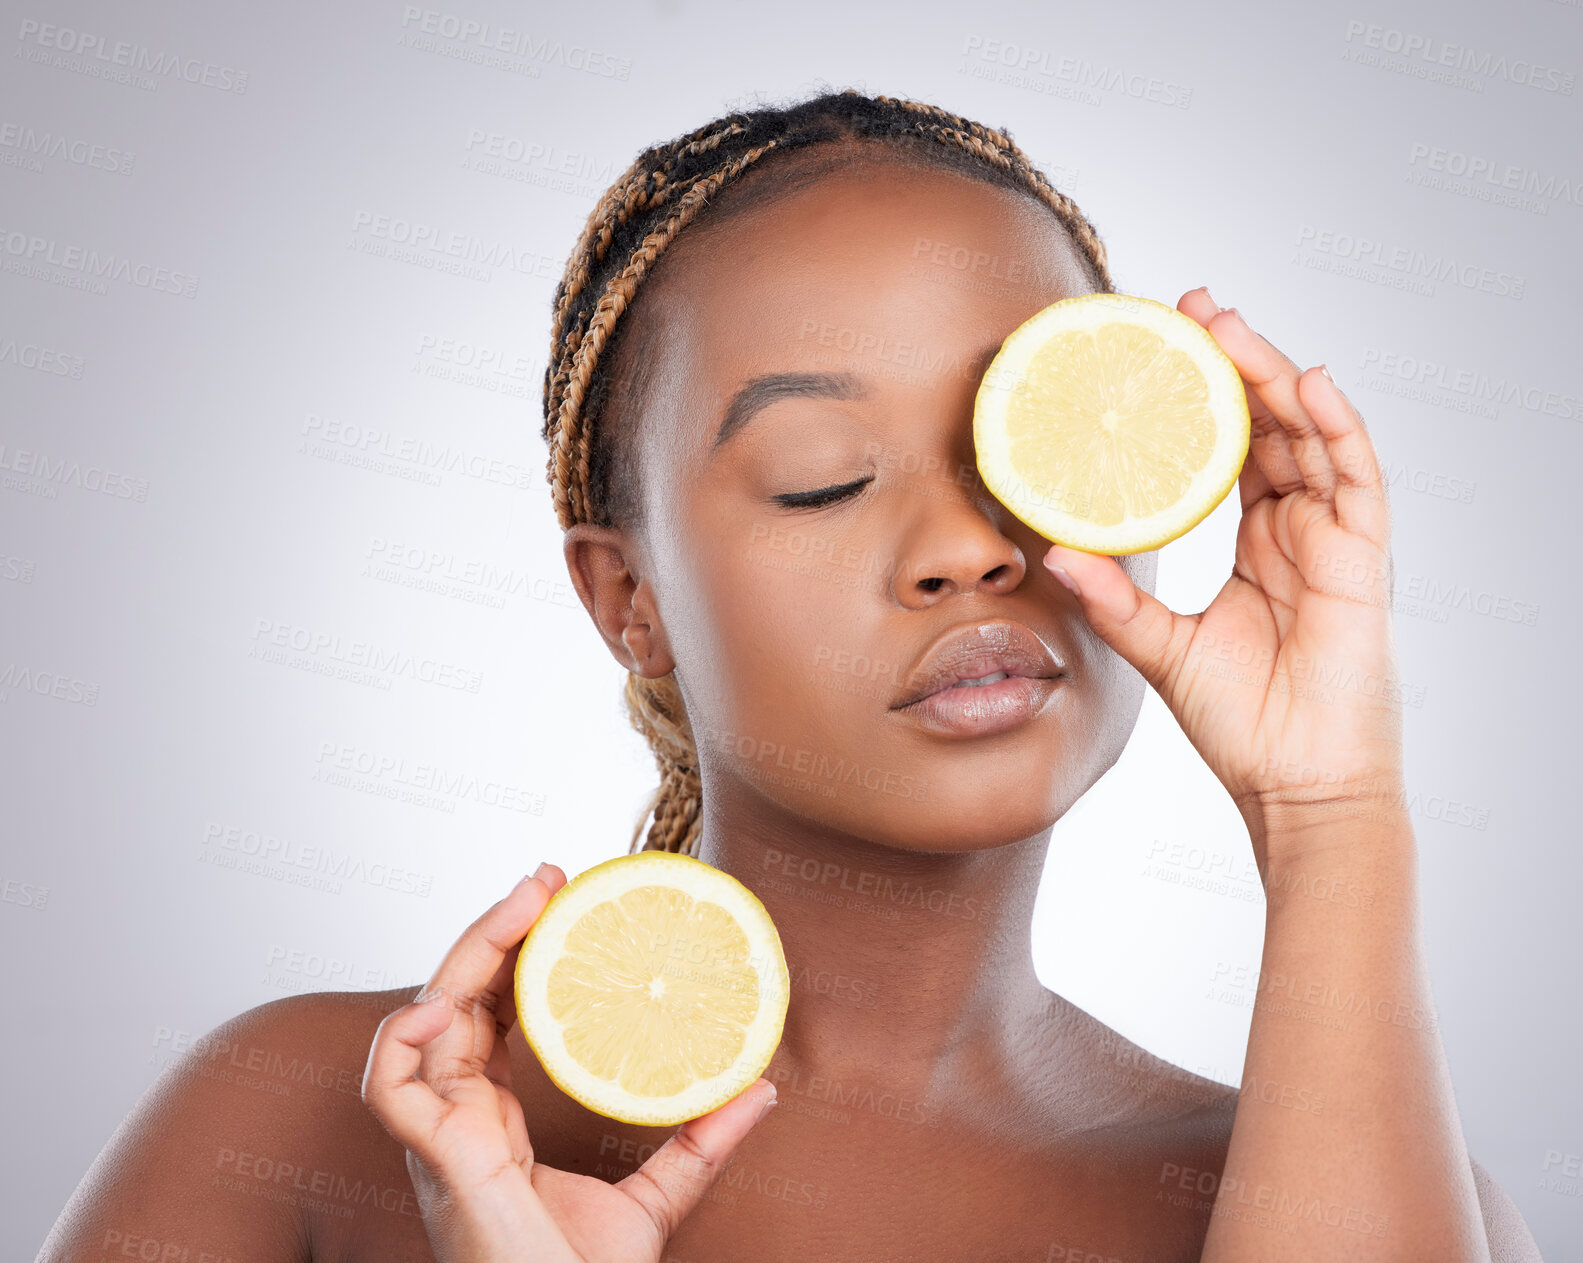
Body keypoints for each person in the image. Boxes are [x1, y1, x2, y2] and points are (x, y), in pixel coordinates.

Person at [38, 88, 1543, 1263]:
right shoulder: (319, 1113)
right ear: (632, 604)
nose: (968, 547)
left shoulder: (1346, 1186)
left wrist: (1334, 810)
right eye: (824, 478)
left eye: (1029, 445)